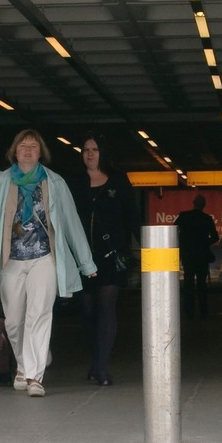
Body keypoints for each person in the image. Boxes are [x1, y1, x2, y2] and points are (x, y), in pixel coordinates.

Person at [0, 129, 96, 396]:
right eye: (23, 146)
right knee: (13, 322)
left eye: (33, 146)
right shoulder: (1, 183)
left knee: (38, 315)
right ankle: (23, 365)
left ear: (41, 153)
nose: (28, 150)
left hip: (44, 257)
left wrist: (86, 263)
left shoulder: (55, 182)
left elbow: (71, 221)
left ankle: (34, 377)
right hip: (11, 261)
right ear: (14, 152)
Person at [67, 134, 139, 385]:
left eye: (95, 149)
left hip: (111, 254)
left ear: (103, 153)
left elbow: (132, 215)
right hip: (82, 255)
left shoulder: (118, 180)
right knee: (88, 311)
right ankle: (95, 359)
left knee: (107, 307)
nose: (89, 154)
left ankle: (102, 367)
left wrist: (147, 245)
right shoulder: (74, 181)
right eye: (86, 149)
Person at [175, 194, 219, 320]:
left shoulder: (184, 216)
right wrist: (204, 243)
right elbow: (215, 237)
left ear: (193, 203)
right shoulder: (207, 218)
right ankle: (203, 310)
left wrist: (183, 243)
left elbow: (174, 230)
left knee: (188, 283)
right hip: (202, 255)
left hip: (188, 255)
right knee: (202, 284)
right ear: (204, 205)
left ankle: (189, 311)